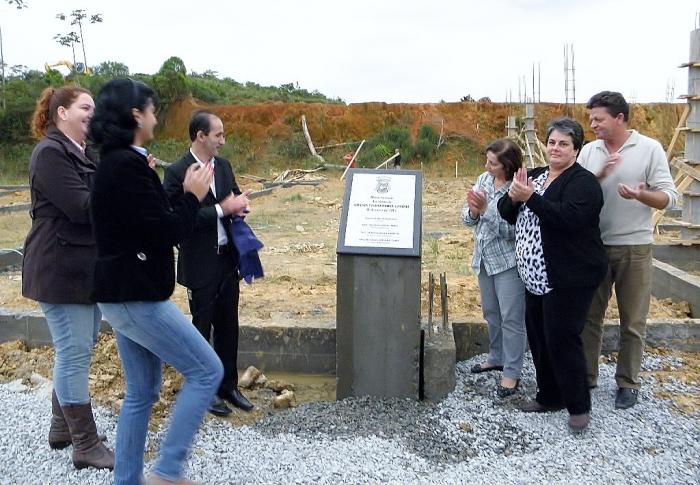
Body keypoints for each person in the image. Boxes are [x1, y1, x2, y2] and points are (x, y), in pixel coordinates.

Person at [89, 78, 224, 485]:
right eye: (150, 109)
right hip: (137, 296)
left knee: (142, 392)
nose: (155, 115)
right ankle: (167, 470)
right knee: (206, 371)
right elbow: (166, 232)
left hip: (120, 294)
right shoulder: (125, 166)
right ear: (136, 115)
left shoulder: (120, 162)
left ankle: (127, 480)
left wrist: (170, 193)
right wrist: (192, 194)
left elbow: (144, 222)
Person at [22, 86, 114, 470]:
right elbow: (81, 206)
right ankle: (85, 444)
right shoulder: (50, 153)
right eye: (85, 108)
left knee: (78, 346)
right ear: (61, 113)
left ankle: (62, 428)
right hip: (59, 268)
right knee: (75, 352)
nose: (92, 114)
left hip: (80, 267)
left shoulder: (81, 153)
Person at [498, 118, 607, 432]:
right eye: (552, 142)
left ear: (576, 149)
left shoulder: (583, 182)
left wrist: (530, 198)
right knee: (540, 339)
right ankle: (549, 396)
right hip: (534, 277)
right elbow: (506, 211)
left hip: (569, 276)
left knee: (562, 339)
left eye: (563, 143)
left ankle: (578, 406)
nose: (555, 148)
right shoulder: (534, 175)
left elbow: (569, 219)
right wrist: (515, 197)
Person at [579, 91, 678, 409]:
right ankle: (586, 377)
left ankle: (628, 383)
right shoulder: (589, 151)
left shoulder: (649, 149)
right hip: (594, 246)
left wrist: (641, 196)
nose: (593, 124)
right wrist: (600, 175)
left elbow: (668, 198)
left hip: (634, 247)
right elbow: (576, 190)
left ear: (620, 118)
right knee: (589, 317)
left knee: (633, 320)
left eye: (599, 118)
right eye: (591, 118)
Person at [163, 111, 253, 416]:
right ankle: (203, 390)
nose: (222, 141)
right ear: (200, 136)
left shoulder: (223, 167)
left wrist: (240, 205)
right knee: (201, 329)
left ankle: (229, 386)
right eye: (218, 135)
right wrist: (221, 208)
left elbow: (234, 194)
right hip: (200, 263)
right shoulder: (176, 172)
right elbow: (178, 220)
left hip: (227, 260)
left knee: (229, 326)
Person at [461, 138, 526, 397]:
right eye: (487, 160)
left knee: (511, 318)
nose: (487, 166)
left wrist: (486, 210)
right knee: (491, 312)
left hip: (508, 263)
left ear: (507, 165)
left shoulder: (518, 189)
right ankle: (497, 356)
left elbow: (510, 231)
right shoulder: (484, 180)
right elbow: (467, 219)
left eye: (493, 163)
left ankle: (511, 372)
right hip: (484, 258)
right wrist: (474, 213)